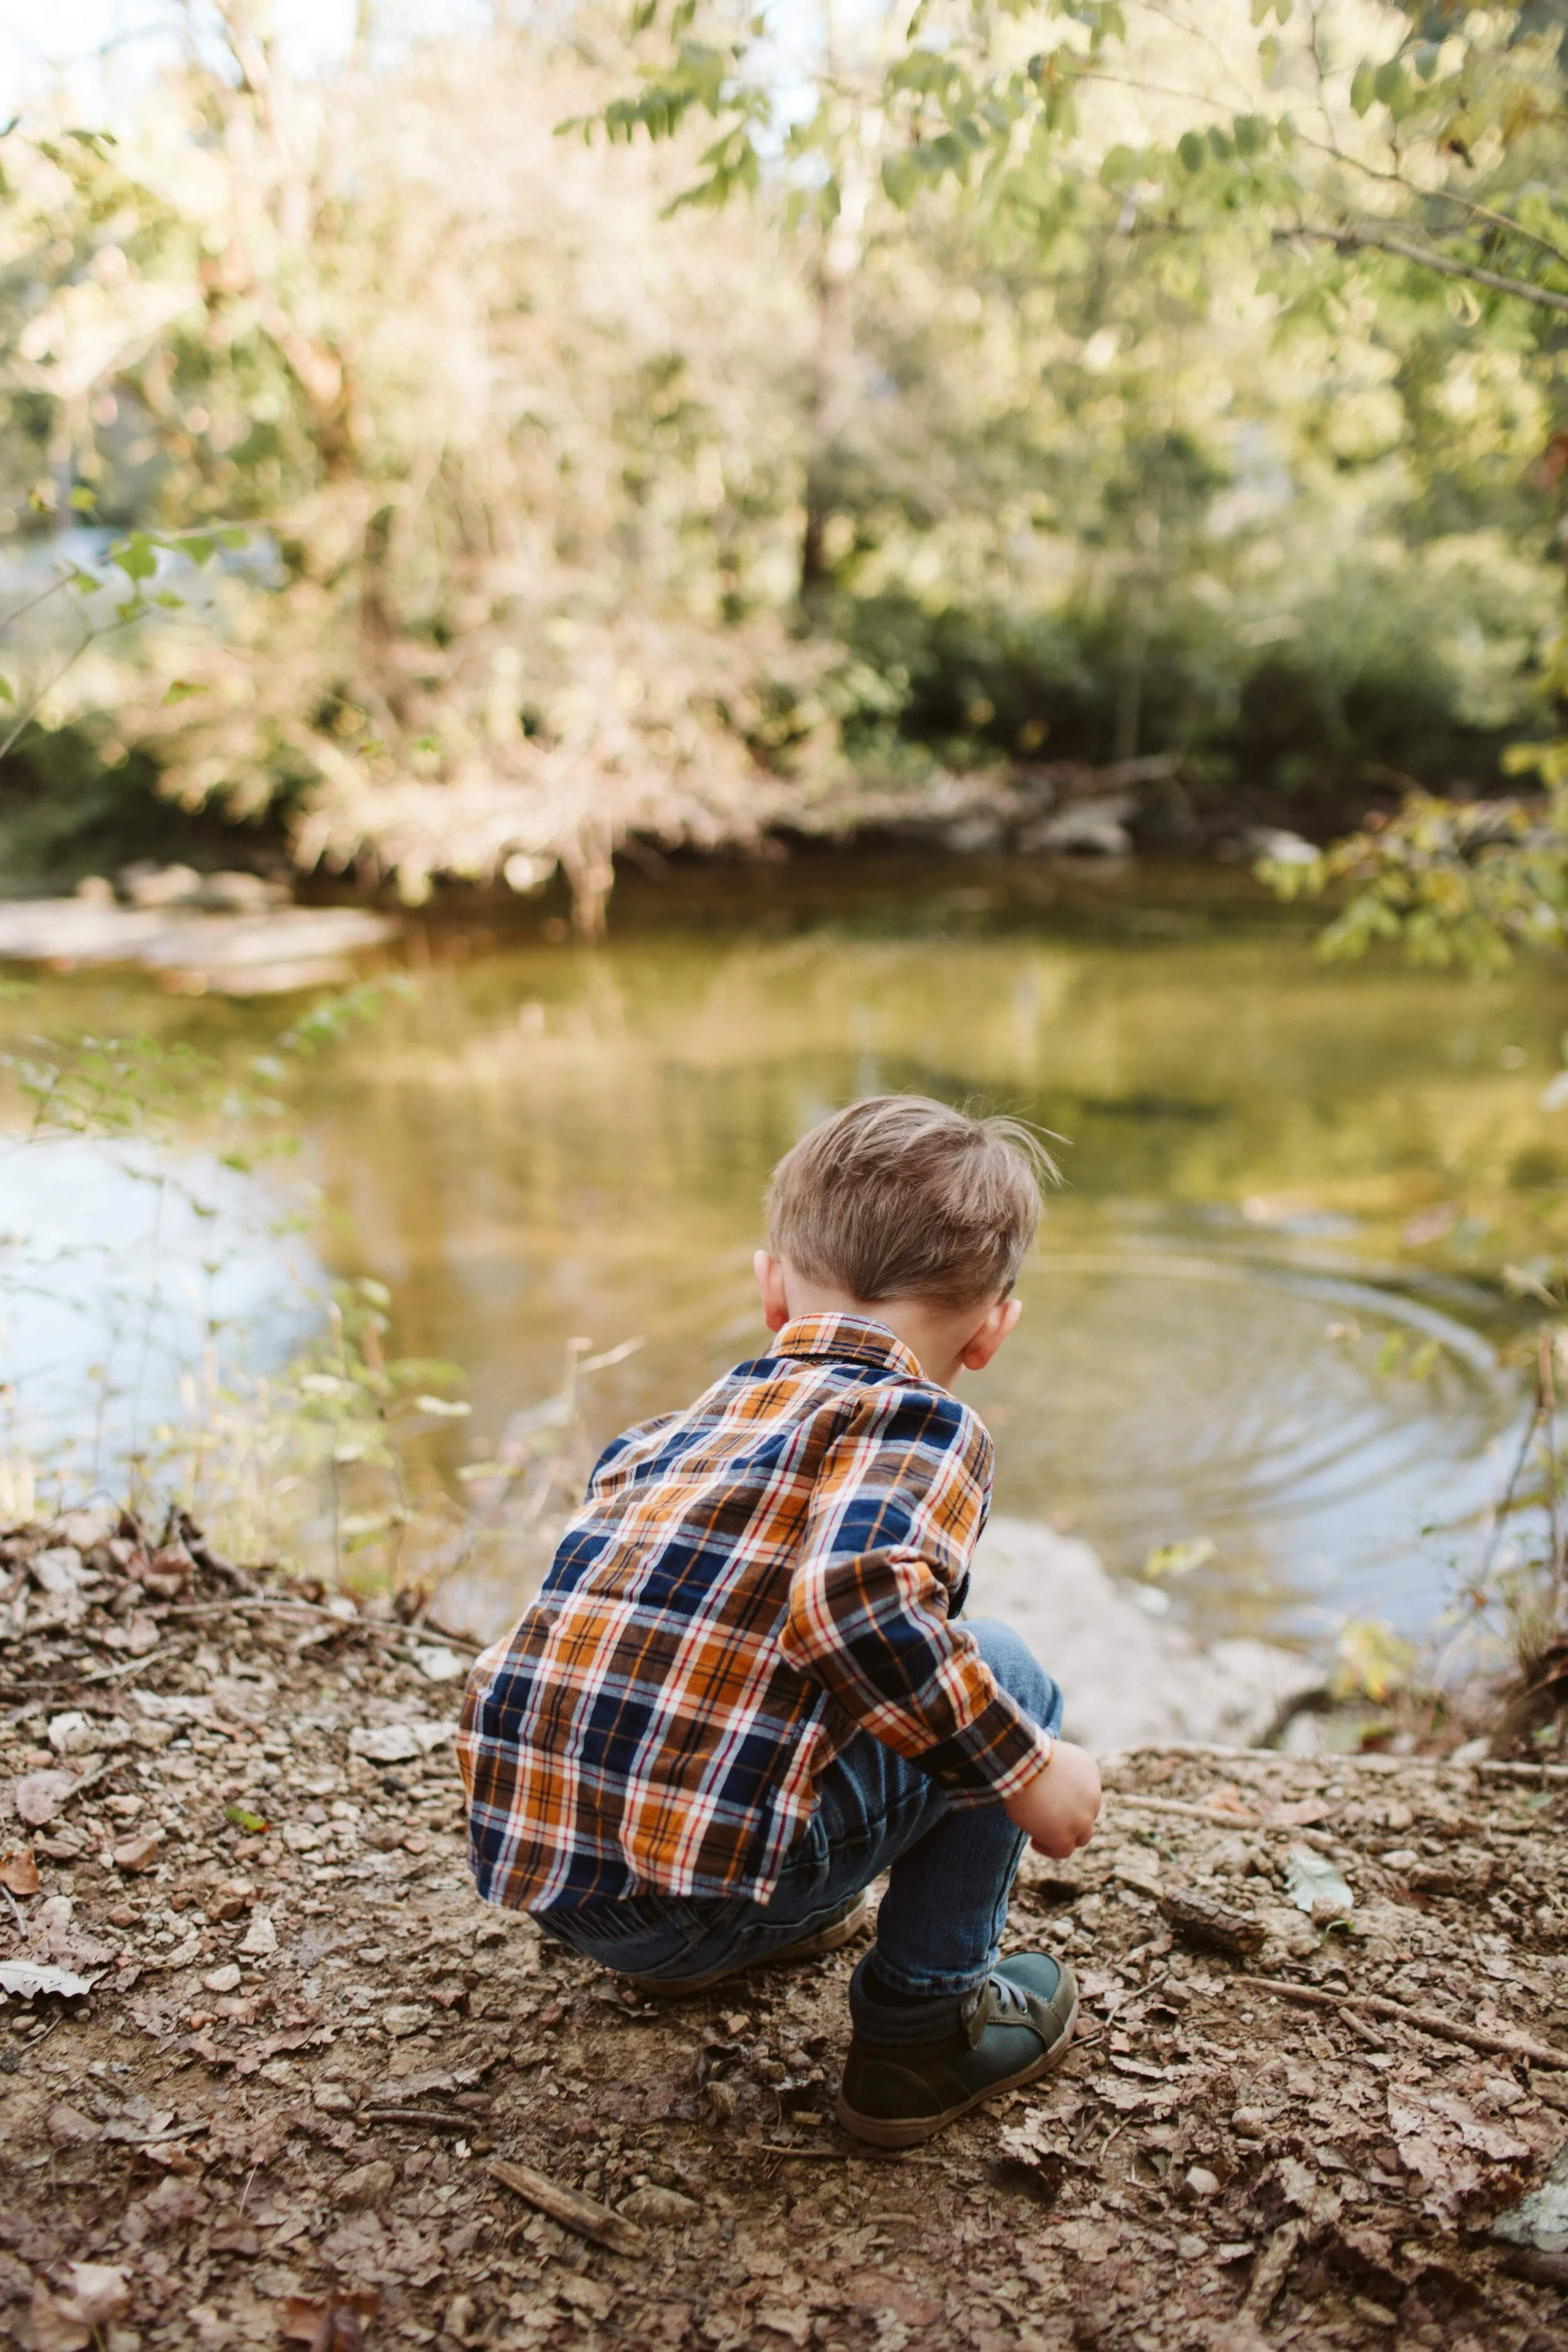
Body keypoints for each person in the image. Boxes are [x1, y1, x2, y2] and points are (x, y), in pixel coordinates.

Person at [458, 1094, 1102, 2146]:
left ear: (772, 1288)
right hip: (692, 1904)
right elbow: (850, 1602)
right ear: (992, 1328)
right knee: (1007, 1675)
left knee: (876, 1668)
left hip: (568, 1892)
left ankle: (721, 1935)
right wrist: (1026, 1768)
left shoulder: (669, 1433)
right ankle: (920, 2034)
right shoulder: (923, 1422)